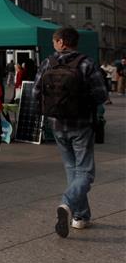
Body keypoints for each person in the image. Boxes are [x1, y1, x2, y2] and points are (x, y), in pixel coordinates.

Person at [33, 27, 108, 238]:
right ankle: (67, 203)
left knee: (72, 169)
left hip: (56, 125)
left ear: (62, 42)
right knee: (85, 172)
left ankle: (80, 216)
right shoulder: (86, 63)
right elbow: (101, 94)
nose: (53, 43)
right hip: (81, 124)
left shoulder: (48, 63)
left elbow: (36, 91)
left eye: (55, 40)